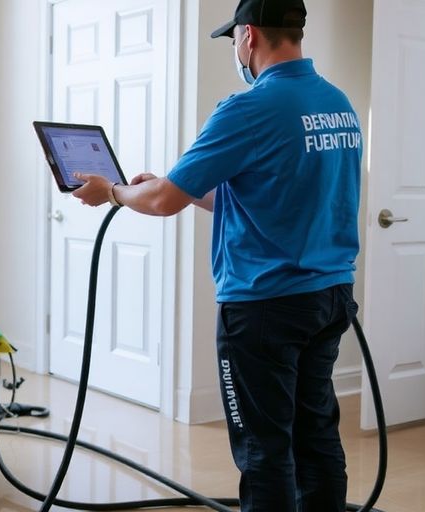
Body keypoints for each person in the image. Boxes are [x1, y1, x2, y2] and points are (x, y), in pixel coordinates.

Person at [71, 0, 362, 510]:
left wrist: (113, 192)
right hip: (329, 297)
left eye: (234, 41)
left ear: (249, 36)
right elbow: (263, 194)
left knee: (263, 448)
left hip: (264, 306)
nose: (237, 50)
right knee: (315, 434)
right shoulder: (337, 103)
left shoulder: (248, 108)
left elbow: (161, 202)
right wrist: (179, 184)